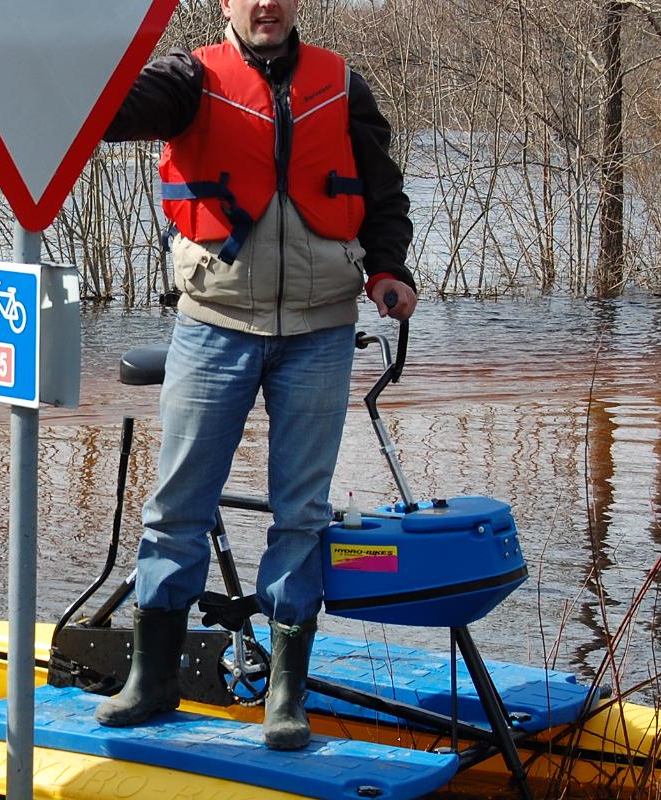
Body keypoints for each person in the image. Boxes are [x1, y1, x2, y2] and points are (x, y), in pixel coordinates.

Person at [92, 0, 418, 751]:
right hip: (214, 325)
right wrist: (85, 72)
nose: (265, 4)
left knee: (302, 513)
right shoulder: (188, 79)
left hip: (321, 330)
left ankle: (285, 697)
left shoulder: (342, 84)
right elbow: (111, 115)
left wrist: (390, 268)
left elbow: (381, 192)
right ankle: (153, 679)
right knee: (176, 507)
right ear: (224, 4)